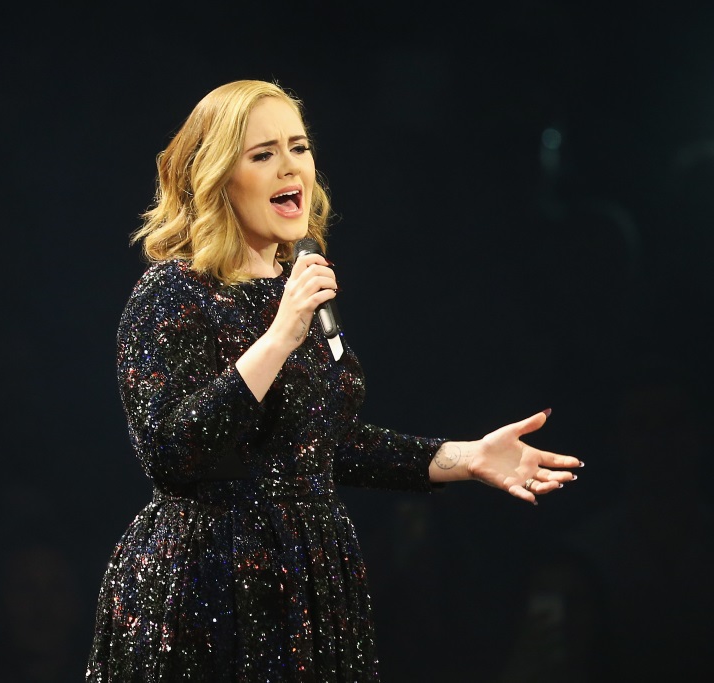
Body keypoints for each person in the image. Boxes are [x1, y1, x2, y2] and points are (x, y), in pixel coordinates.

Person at [85, 79, 582, 682]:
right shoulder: (173, 292)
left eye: (298, 147)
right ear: (216, 177)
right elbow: (170, 452)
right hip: (211, 583)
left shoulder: (298, 287)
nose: (289, 166)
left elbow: (323, 443)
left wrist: (464, 457)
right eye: (262, 154)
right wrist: (279, 337)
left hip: (310, 581)